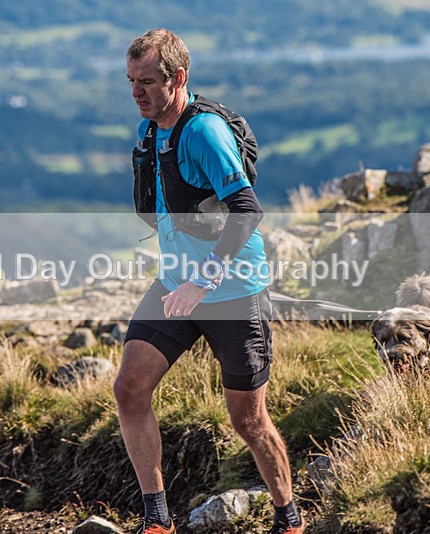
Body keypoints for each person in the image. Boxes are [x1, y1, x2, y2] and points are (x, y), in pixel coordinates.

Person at [115, 29, 305, 534]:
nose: (136, 92)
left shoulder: (204, 132)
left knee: (248, 420)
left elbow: (247, 210)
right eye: (131, 80)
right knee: (130, 388)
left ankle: (289, 517)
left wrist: (201, 282)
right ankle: (157, 519)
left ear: (178, 78)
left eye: (147, 81)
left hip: (233, 291)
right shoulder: (153, 130)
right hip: (175, 286)